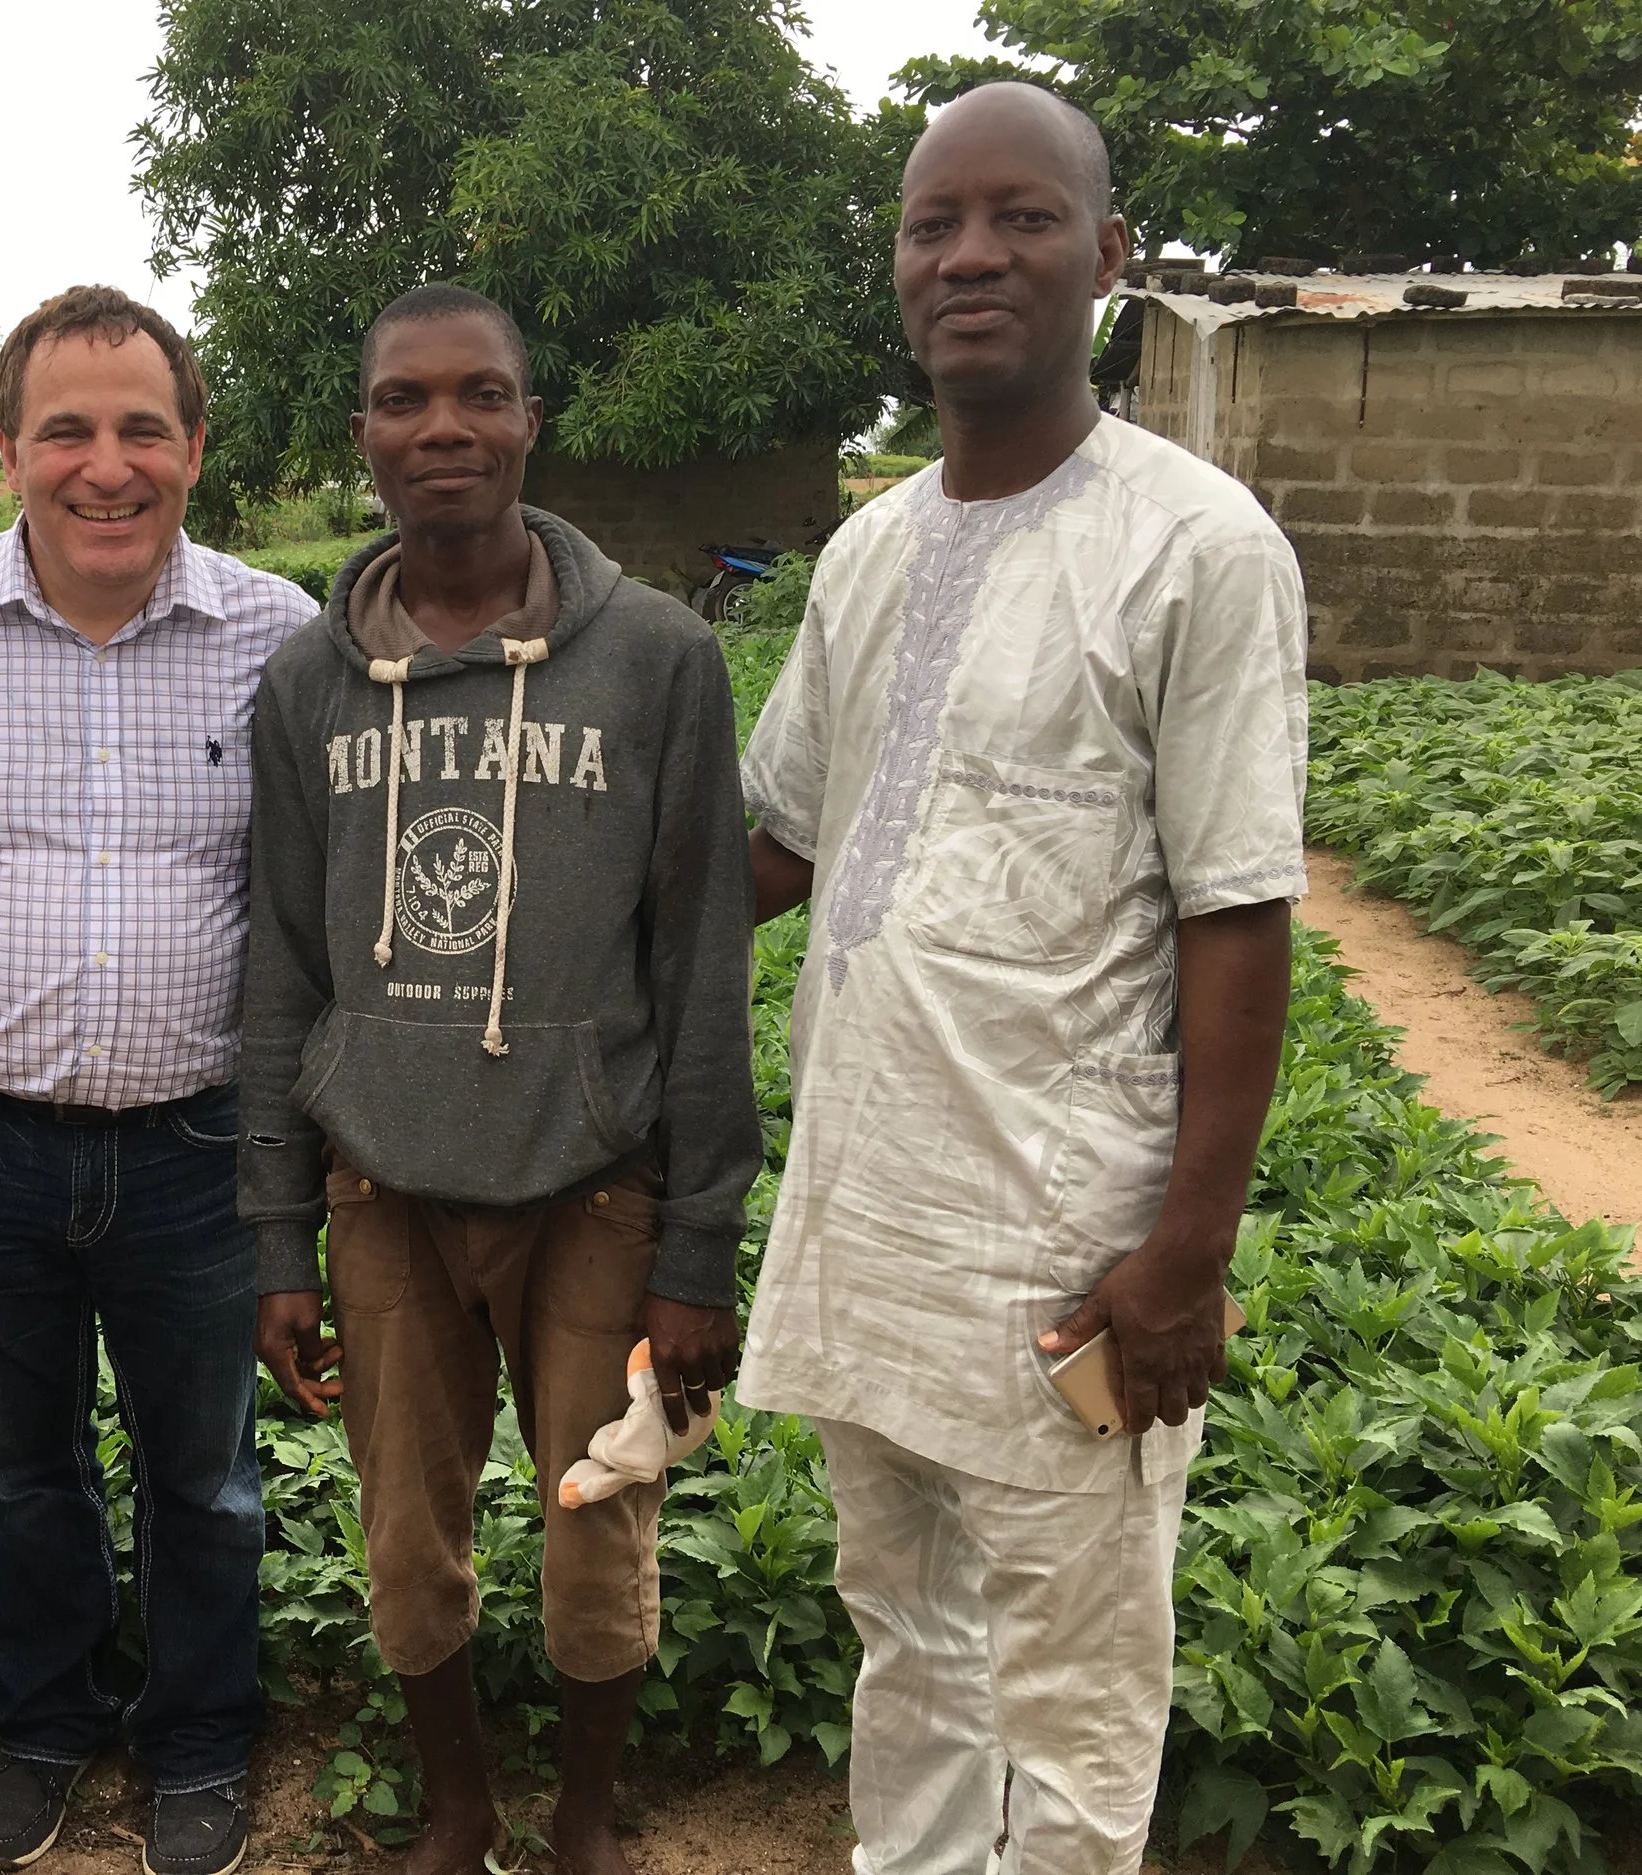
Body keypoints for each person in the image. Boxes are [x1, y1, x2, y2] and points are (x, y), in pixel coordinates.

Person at [738, 84, 1308, 1874]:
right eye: (933, 225)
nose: (972, 254)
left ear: (1109, 258)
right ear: (899, 271)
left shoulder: (1197, 548)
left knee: (1070, 1699)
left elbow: (1238, 914)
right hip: (870, 1220)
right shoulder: (867, 550)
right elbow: (785, 844)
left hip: (1066, 1250)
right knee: (906, 1640)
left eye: (1023, 217)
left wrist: (1185, 1252)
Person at [242, 284, 760, 1875]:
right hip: (382, 1187)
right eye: (405, 400)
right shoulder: (308, 683)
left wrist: (696, 1246)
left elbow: (700, 966)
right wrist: (275, 1236)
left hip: (595, 1184)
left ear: (533, 420)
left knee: (599, 1529)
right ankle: (459, 1809)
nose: (442, 428)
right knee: (406, 1541)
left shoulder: (658, 659)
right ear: (365, 434)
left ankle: (588, 1823)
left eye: (480, 396)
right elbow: (279, 968)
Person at [0, 286, 315, 1875]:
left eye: (139, 429)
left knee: (206, 1475)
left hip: (197, 1143)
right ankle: (45, 1722)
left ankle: (197, 1739)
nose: (103, 466)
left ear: (194, 446)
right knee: (18, 1468)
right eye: (66, 430)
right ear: (7, 453)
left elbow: (307, 919)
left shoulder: (278, 634)